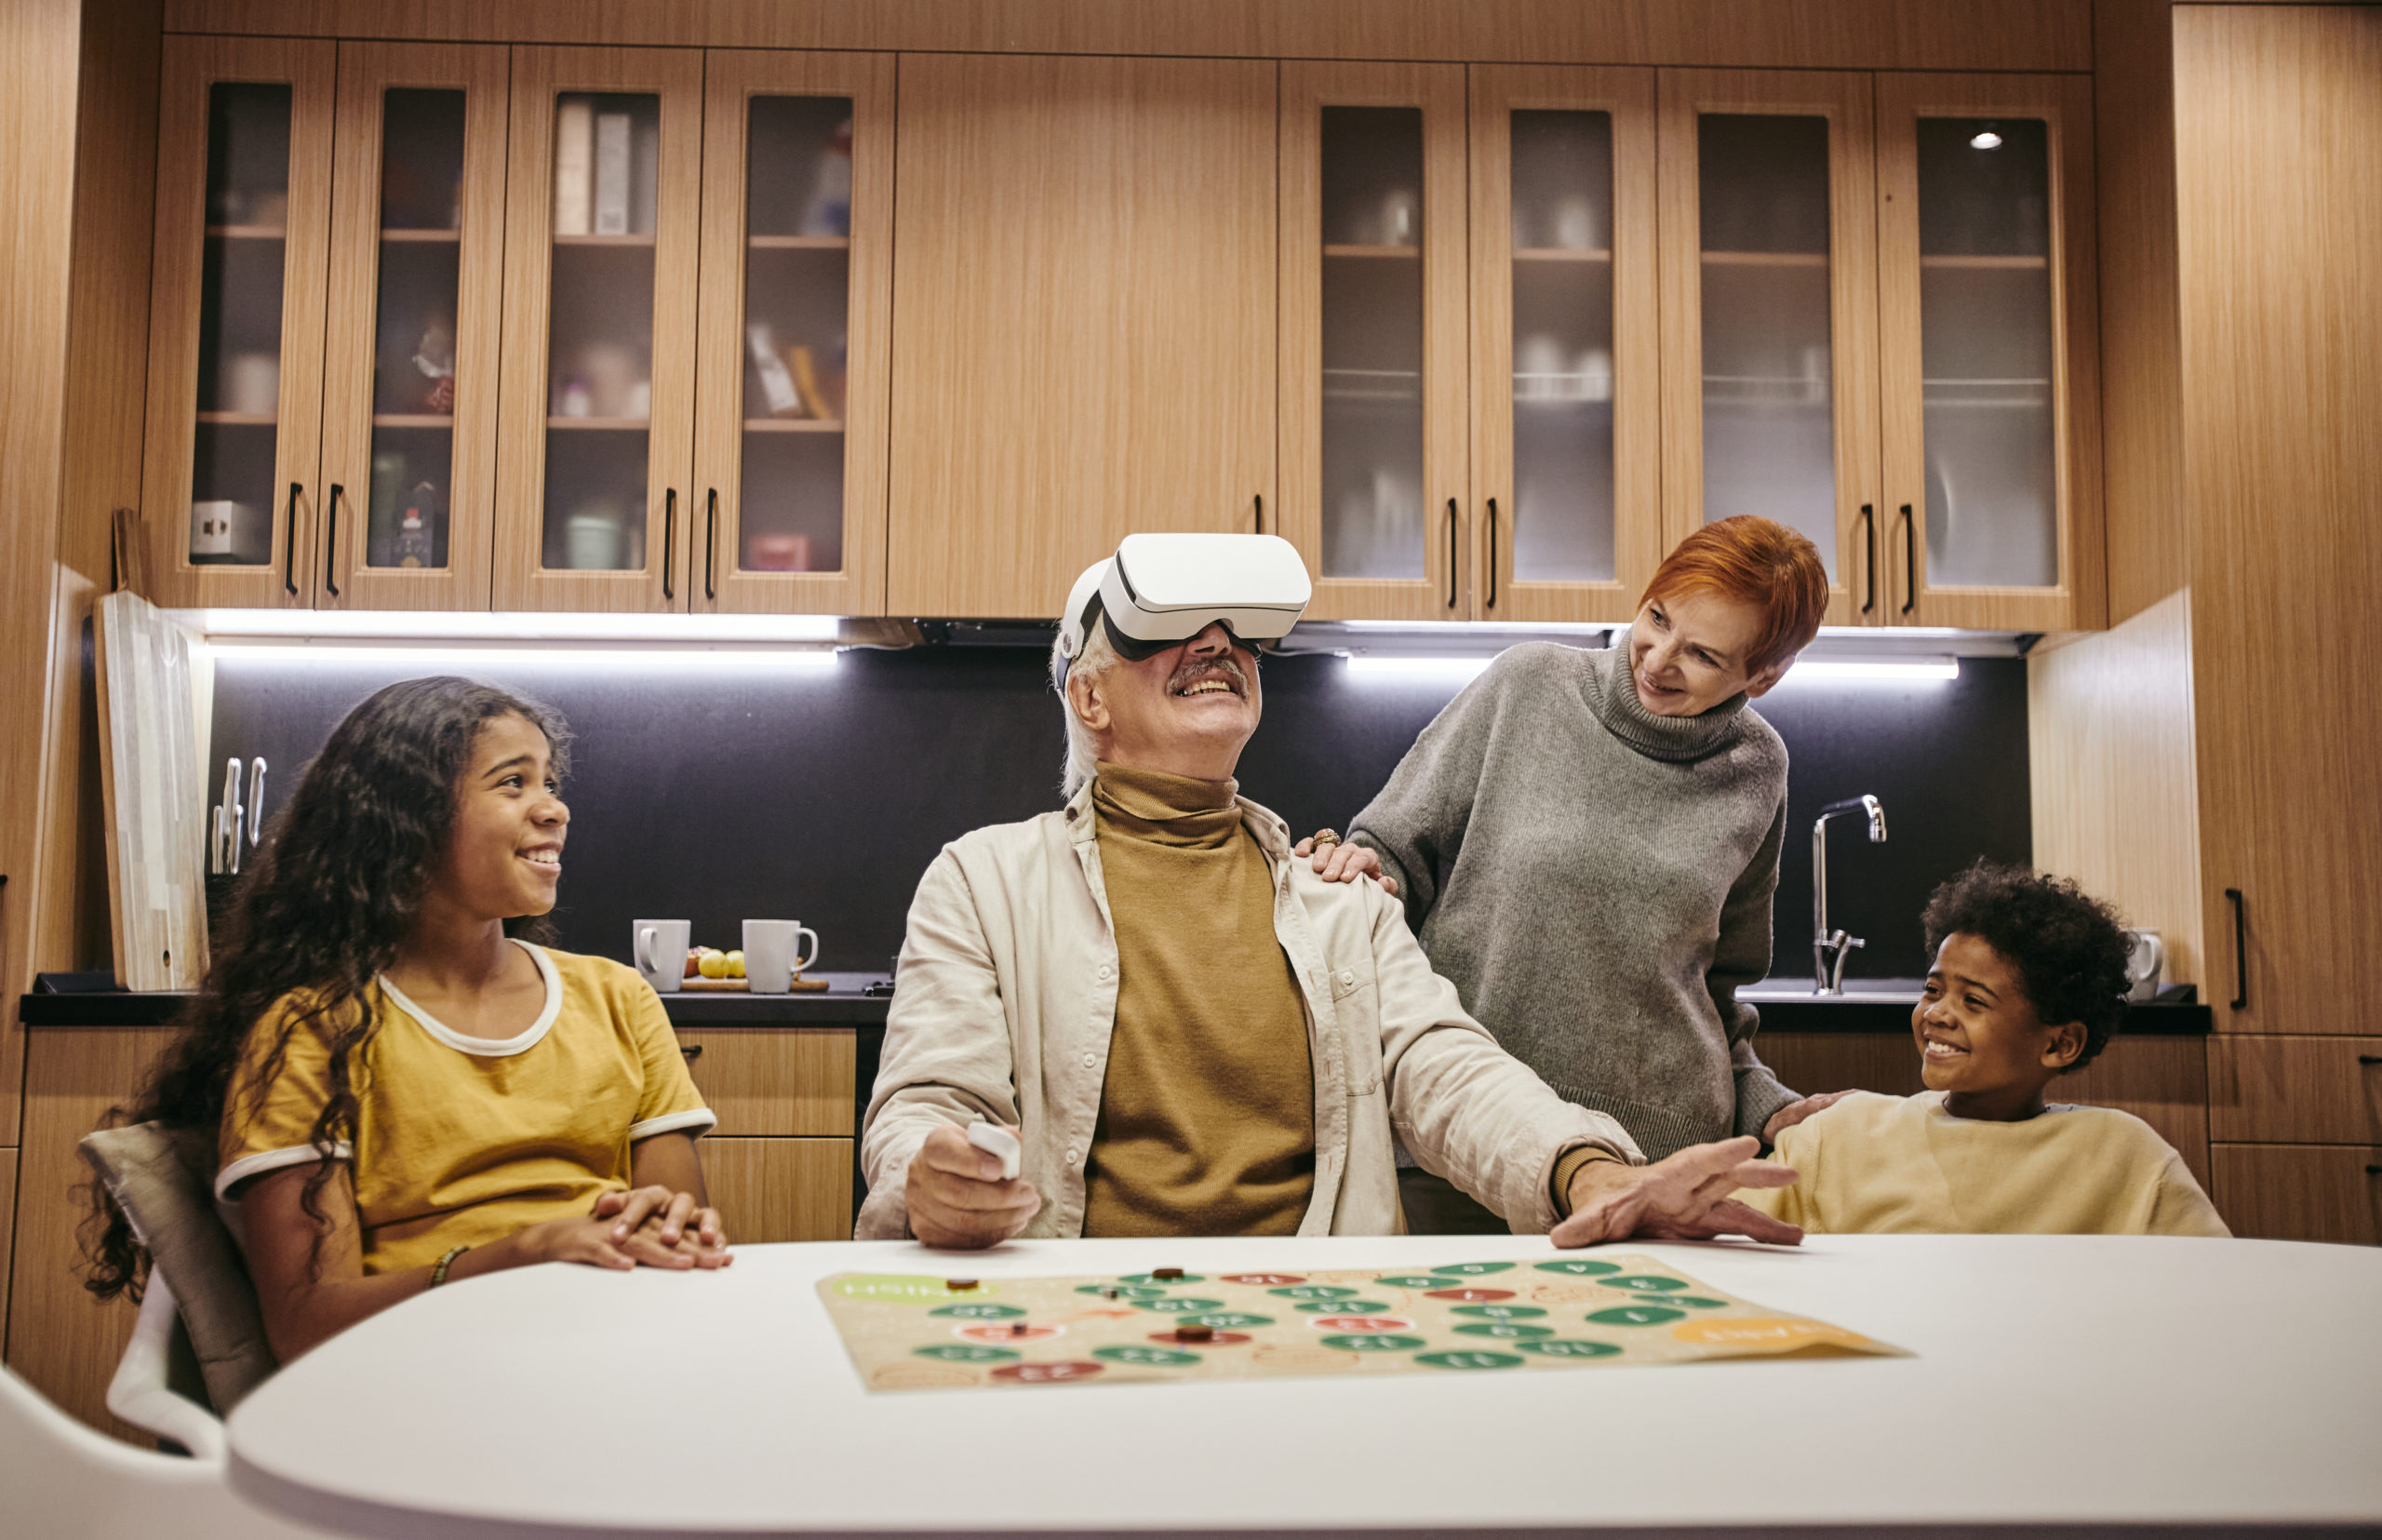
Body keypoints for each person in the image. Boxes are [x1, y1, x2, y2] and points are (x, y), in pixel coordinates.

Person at [860, 533, 1801, 1251]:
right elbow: (928, 1100)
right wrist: (926, 1174)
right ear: (1090, 699)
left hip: (1313, 1316)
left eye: (1234, 633)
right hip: (1084, 1309)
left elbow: (1446, 1068)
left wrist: (1587, 1172)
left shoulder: (1333, 902)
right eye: (1169, 631)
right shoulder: (982, 881)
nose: (1216, 643)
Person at [86, 677, 733, 1363]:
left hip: (612, 1349)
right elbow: (308, 1325)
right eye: (513, 783)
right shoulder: (312, 1031)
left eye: (549, 781)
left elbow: (677, 1245)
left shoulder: (618, 998)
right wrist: (524, 1253)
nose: (554, 809)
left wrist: (669, 1237)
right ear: (408, 817)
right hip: (417, 1372)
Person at [1299, 516, 1848, 1231]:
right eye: (1656, 616)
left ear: (1763, 675)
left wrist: (1769, 1105)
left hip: (1659, 1164)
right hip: (1464, 1146)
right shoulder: (1527, 686)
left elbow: (1716, 988)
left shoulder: (1758, 767)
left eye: (1704, 654)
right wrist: (1360, 867)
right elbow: (1391, 851)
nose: (1656, 658)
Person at [1733, 863, 2228, 1236]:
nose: (1937, 1014)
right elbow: (1727, 1241)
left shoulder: (2126, 1157)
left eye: (1973, 1000)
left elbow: (2213, 1283)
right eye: (1932, 990)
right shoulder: (1837, 1137)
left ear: (2060, 1043)